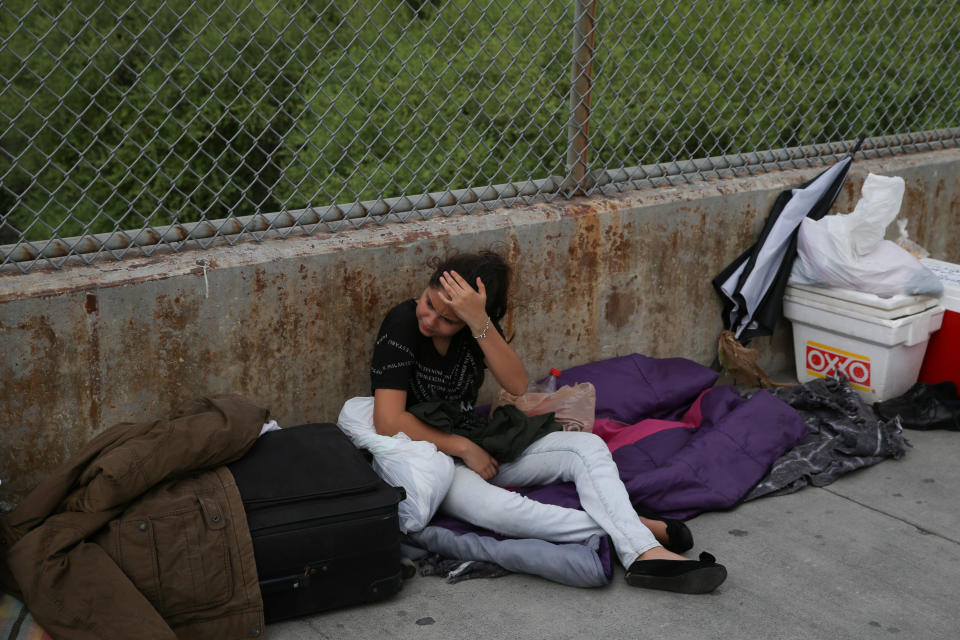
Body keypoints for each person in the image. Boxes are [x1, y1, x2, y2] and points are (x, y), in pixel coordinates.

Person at [370, 249, 727, 594]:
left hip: (480, 443)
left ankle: (643, 555)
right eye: (429, 302)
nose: (431, 319)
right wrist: (463, 448)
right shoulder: (403, 322)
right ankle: (638, 531)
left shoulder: (474, 325)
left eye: (449, 319)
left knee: (586, 447)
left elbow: (517, 384)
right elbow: (388, 420)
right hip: (429, 459)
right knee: (503, 513)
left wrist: (478, 322)